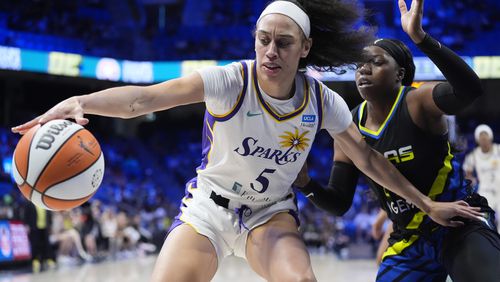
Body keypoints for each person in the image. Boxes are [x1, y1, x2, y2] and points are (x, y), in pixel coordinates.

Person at [12, 0, 483, 281]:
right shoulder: (230, 81)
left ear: (305, 50)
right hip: (208, 211)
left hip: (270, 214)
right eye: (262, 40)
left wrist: (426, 204)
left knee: (301, 279)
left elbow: (368, 161)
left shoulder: (323, 102)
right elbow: (142, 100)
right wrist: (81, 101)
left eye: (282, 42)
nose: (270, 51)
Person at [294, 0, 500, 281]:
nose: (363, 69)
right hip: (411, 239)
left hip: (460, 222)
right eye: (359, 65)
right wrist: (307, 184)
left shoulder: (417, 101)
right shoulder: (347, 126)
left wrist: (421, 39)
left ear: (399, 75)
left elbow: (470, 89)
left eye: (376, 62)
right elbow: (339, 202)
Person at [463, 124, 500, 231]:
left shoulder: (498, 149)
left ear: (491, 136)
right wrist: (471, 179)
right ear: (477, 139)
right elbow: (467, 173)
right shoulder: (473, 155)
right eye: (481, 136)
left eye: (486, 135)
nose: (484, 138)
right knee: (486, 221)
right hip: (486, 191)